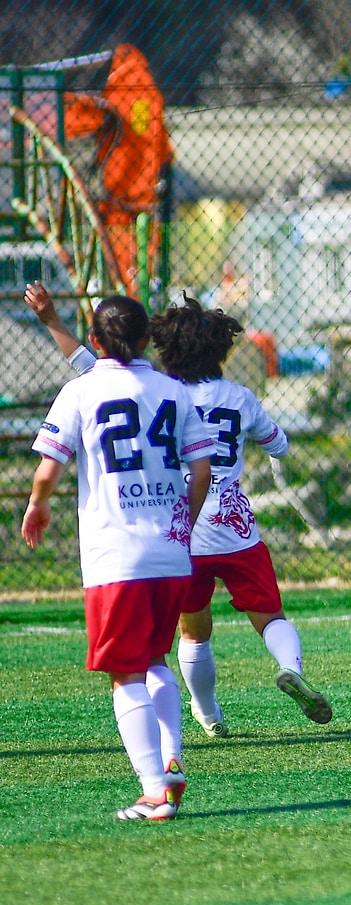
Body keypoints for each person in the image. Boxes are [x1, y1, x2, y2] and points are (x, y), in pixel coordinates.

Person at [27, 283, 332, 736]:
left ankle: (208, 714)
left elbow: (88, 367)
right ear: (221, 349)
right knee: (270, 614)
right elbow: (279, 445)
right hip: (234, 528)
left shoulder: (159, 390)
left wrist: (52, 320)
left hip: (179, 529)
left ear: (163, 346)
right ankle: (290, 666)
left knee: (194, 632)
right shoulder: (237, 397)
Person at [23, 292, 214, 821]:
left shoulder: (81, 391)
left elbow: (48, 469)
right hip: (170, 553)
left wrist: (38, 504)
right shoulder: (174, 391)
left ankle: (154, 792)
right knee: (154, 659)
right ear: (147, 338)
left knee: (125, 673)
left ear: (96, 339)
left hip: (117, 558)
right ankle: (171, 760)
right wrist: (184, 520)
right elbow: (201, 470)